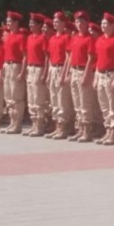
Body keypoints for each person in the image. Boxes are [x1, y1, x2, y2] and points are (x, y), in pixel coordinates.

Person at [94, 12, 114, 145]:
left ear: (113, 26)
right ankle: (107, 130)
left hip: (111, 75)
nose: (103, 26)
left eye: (106, 24)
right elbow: (98, 60)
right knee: (104, 105)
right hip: (101, 74)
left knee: (113, 105)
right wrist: (96, 77)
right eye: (102, 23)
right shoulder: (99, 40)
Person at [65, 10, 96, 142]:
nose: (79, 24)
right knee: (77, 103)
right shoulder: (75, 38)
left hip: (84, 71)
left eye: (82, 22)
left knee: (85, 102)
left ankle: (87, 131)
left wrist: (86, 75)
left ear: (87, 23)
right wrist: (67, 73)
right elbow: (70, 57)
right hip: (74, 70)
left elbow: (91, 58)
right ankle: (80, 130)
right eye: (77, 22)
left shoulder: (90, 38)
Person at [46, 11, 74, 140]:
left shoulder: (66, 37)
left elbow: (69, 57)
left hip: (61, 68)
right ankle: (57, 127)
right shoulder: (52, 38)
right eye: (54, 21)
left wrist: (65, 73)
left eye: (58, 22)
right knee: (54, 98)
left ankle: (64, 128)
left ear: (63, 23)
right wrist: (48, 73)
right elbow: (50, 57)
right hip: (53, 68)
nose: (55, 24)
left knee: (63, 99)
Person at [24, 13, 49, 137]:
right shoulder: (29, 37)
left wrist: (45, 73)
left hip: (39, 68)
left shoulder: (43, 38)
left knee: (39, 99)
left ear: (39, 25)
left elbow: (47, 57)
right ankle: (33, 124)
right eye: (30, 23)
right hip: (31, 68)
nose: (30, 25)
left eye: (33, 23)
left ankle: (39, 126)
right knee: (31, 99)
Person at [1, 11, 26, 134]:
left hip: (16, 65)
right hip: (7, 65)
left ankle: (17, 124)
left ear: (16, 23)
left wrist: (22, 72)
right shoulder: (7, 36)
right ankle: (12, 121)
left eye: (10, 21)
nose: (8, 23)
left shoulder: (21, 37)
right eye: (7, 21)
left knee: (17, 97)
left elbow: (25, 56)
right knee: (8, 96)